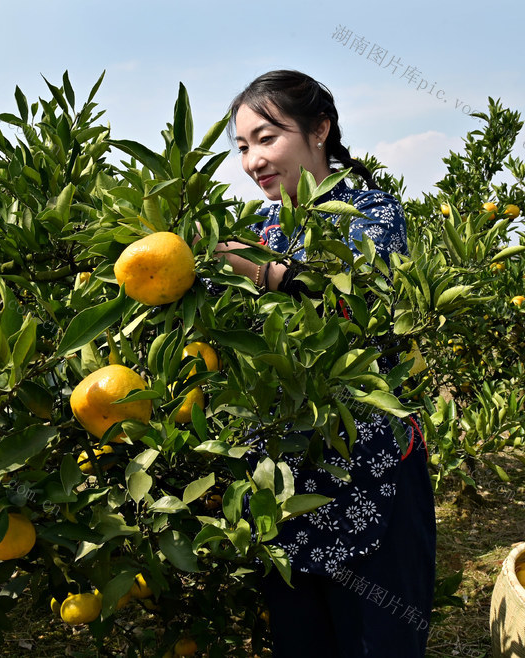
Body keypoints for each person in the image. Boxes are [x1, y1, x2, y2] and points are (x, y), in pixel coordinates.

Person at [215, 70, 436, 657]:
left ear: (320, 130)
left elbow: (358, 307)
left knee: (378, 638)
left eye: (267, 138)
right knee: (301, 638)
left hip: (369, 467)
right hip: (287, 477)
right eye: (241, 147)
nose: (252, 160)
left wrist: (258, 270)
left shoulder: (371, 212)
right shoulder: (259, 227)